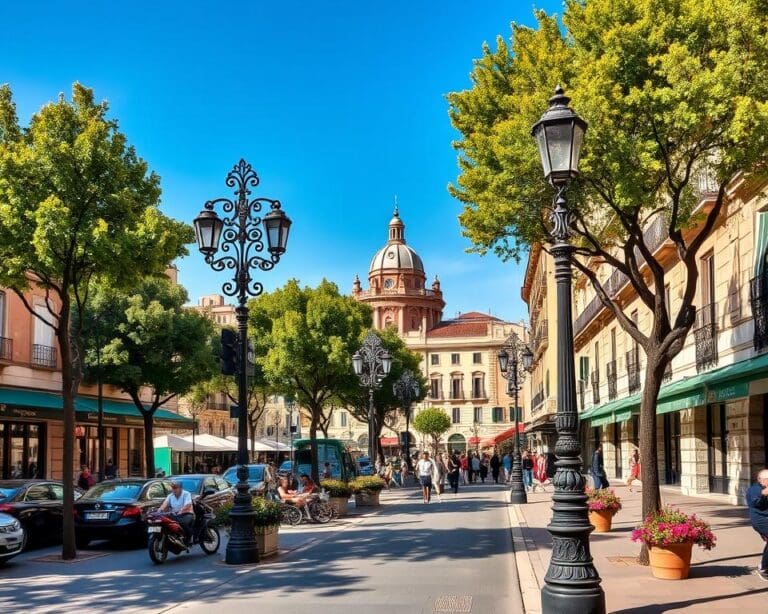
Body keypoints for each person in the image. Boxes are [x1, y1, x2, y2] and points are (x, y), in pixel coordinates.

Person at [747, 469, 768, 581]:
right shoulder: (755, 489)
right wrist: (763, 494)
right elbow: (755, 502)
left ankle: (763, 566)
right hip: (760, 521)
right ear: (761, 480)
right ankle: (764, 568)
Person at [159, 479, 194, 544]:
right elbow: (165, 504)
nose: (173, 489)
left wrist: (181, 511)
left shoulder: (186, 494)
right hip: (175, 515)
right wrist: (160, 510)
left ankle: (190, 537)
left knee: (182, 523)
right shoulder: (170, 496)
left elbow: (188, 504)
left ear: (180, 488)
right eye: (172, 488)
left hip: (186, 514)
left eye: (175, 488)